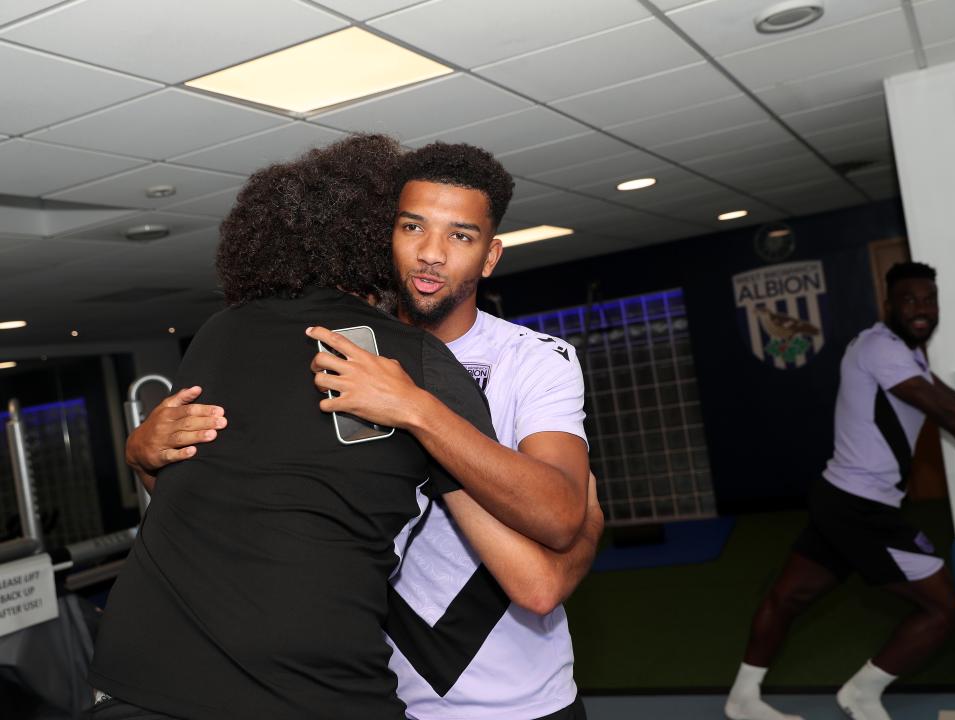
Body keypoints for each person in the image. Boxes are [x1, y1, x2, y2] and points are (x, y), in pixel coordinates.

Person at [127, 142, 603, 720]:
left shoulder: (533, 358)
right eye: (413, 227)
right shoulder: (328, 349)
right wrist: (144, 456)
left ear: (489, 255)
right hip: (379, 689)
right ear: (381, 235)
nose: (431, 254)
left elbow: (544, 563)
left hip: (516, 701)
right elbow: (242, 509)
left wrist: (417, 409)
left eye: (460, 236)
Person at [725, 262, 955, 720]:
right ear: (889, 304)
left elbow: (945, 398)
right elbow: (945, 412)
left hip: (841, 498)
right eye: (910, 300)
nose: (922, 309)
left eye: (929, 299)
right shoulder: (884, 348)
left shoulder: (899, 350)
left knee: (788, 597)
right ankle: (862, 693)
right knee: (944, 609)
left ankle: (742, 698)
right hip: (859, 507)